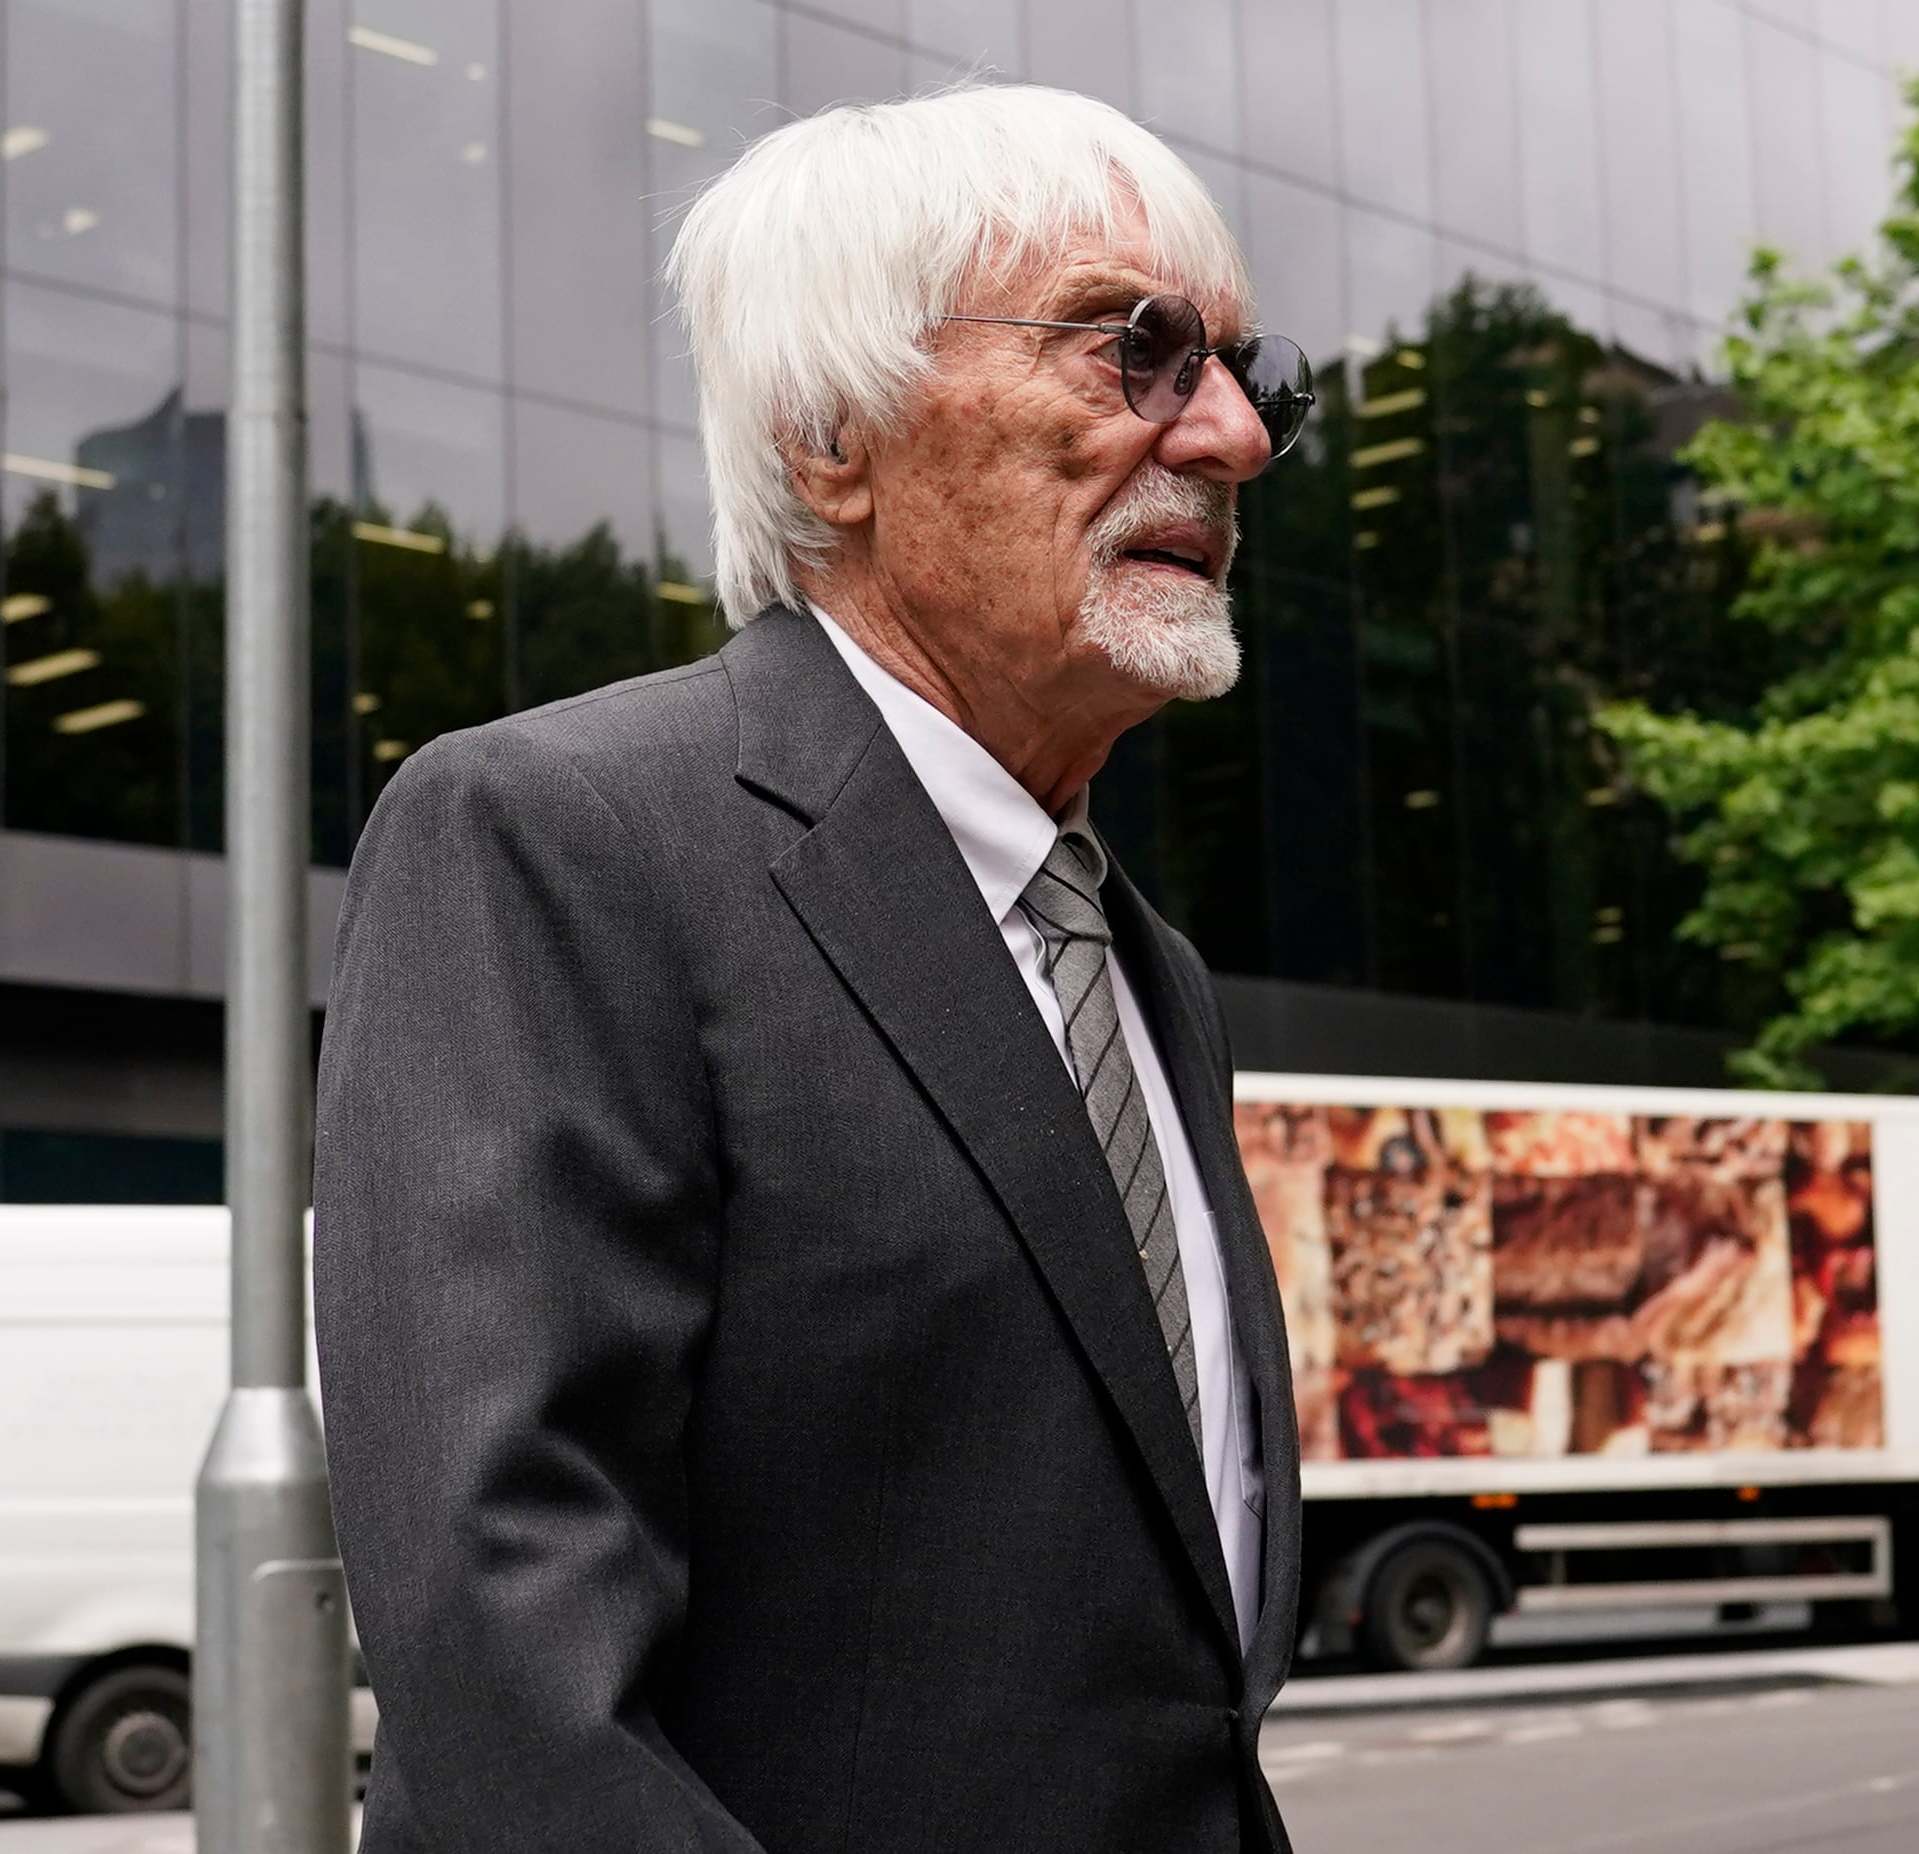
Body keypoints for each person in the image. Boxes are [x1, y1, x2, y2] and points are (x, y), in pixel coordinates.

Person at [313, 83, 1317, 1854]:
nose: (1229, 435)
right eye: (1133, 351)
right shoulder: (560, 839)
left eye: (1246, 372)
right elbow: (510, 1680)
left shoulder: (1142, 967)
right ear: (831, 437)